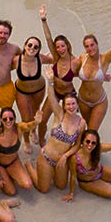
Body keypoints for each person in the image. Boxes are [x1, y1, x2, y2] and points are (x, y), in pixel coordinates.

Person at [35, 67, 86, 196]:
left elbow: (77, 145)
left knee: (61, 186)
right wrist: (50, 81)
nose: (71, 107)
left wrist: (65, 156)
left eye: (73, 104)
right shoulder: (60, 115)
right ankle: (30, 168)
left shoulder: (81, 123)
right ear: (63, 106)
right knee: (44, 189)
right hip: (47, 156)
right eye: (68, 104)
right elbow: (51, 97)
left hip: (61, 160)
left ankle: (48, 173)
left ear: (77, 105)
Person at [39, 5, 81, 145]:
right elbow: (48, 38)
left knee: (69, 124)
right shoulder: (56, 58)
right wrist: (44, 19)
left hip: (69, 95)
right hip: (55, 92)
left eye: (62, 46)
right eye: (57, 47)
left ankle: (71, 144)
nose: (60, 49)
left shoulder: (75, 62)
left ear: (67, 45)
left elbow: (86, 74)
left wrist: (103, 76)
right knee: (43, 120)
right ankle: (41, 141)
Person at [0, 107, 40, 195]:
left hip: (13, 161)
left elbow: (28, 126)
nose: (8, 121)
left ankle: (27, 166)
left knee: (27, 185)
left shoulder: (19, 128)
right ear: (1, 120)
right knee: (11, 192)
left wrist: (36, 122)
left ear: (14, 119)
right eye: (5, 119)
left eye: (11, 118)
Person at [13, 35, 52, 147]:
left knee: (36, 112)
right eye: (30, 45)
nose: (32, 48)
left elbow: (56, 59)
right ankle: (26, 141)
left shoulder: (40, 58)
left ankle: (33, 131)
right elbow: (1, 67)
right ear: (25, 46)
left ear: (38, 50)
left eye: (36, 47)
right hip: (22, 91)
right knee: (25, 118)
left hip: (39, 89)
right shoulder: (16, 60)